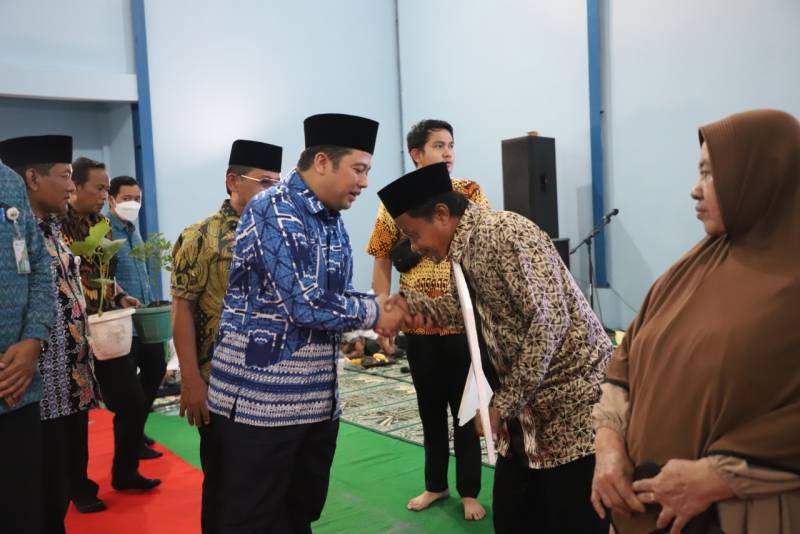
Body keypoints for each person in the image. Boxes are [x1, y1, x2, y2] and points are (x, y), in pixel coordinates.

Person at [591, 109, 800, 534]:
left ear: (760, 178)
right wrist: (608, 443)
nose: (694, 189)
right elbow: (628, 357)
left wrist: (719, 477)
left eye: (710, 173)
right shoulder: (692, 267)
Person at [378, 162, 612, 533]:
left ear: (442, 214)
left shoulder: (504, 232)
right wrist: (407, 309)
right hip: (526, 415)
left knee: (569, 521)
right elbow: (464, 308)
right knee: (513, 517)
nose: (415, 247)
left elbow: (549, 325)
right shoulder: (464, 249)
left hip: (572, 413)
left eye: (413, 234)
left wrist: (503, 404)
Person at [206, 113, 405, 533]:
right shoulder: (273, 209)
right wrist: (378, 312)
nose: (364, 182)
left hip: (315, 402)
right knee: (253, 520)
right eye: (358, 169)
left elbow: (338, 295)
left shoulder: (332, 220)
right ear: (322, 162)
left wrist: (382, 307)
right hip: (262, 406)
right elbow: (305, 304)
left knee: (300, 515)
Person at [366, 119, 487, 520]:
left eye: (451, 144)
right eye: (438, 145)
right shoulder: (394, 202)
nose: (448, 152)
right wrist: (383, 314)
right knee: (429, 408)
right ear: (417, 154)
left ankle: (469, 490)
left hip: (462, 323)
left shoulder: (468, 192)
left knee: (466, 411)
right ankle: (436, 485)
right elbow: (382, 260)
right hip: (417, 324)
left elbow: (482, 246)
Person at [171, 139, 283, 534]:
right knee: (227, 486)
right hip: (222, 387)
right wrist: (190, 380)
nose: (273, 191)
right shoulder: (200, 237)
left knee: (275, 487)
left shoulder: (282, 233)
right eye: (264, 182)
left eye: (277, 183)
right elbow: (182, 310)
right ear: (233, 181)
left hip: (276, 384)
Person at [1, 135, 104, 531]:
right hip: (33, 390)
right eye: (64, 176)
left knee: (56, 490)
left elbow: (45, 286)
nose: (71, 186)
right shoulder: (22, 225)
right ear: (31, 178)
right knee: (34, 497)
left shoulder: (52, 228)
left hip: (66, 383)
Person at [61, 157, 160, 492]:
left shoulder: (100, 225)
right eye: (100, 188)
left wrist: (120, 296)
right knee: (75, 415)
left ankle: (125, 473)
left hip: (106, 328)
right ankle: (78, 488)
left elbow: (102, 275)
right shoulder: (57, 226)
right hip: (71, 333)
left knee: (132, 402)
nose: (105, 195)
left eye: (106, 189)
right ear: (75, 186)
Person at [0, 150, 57, 534]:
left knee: (22, 511)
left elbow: (38, 269)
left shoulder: (8, 182)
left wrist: (34, 338)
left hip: (17, 389)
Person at [108, 175, 167, 460]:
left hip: (145, 318)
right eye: (126, 198)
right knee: (128, 392)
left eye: (137, 199)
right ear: (112, 199)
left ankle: (136, 430)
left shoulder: (134, 231)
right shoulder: (105, 232)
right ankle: (130, 444)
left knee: (156, 369)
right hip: (121, 324)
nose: (132, 203)